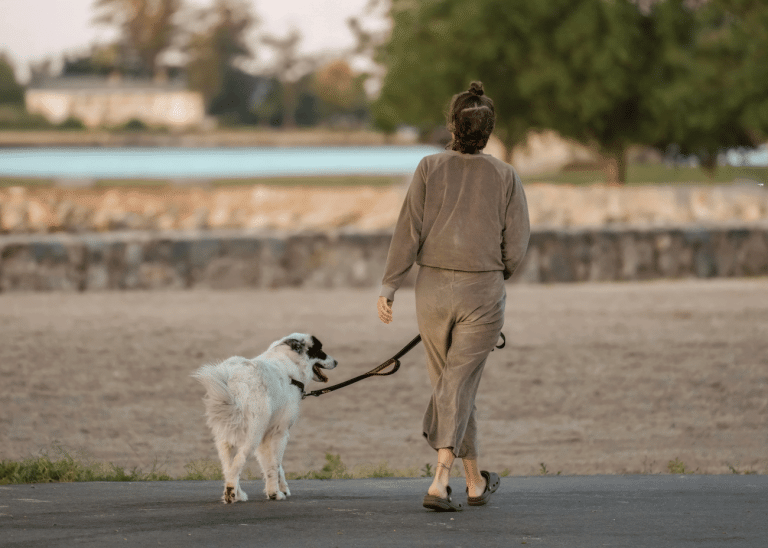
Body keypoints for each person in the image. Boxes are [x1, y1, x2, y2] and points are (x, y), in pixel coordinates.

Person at [377, 81, 530, 512]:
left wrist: (390, 284)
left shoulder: (428, 167)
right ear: (489, 129)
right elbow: (516, 247)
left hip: (432, 292)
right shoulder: (505, 175)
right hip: (483, 291)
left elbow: (407, 231)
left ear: (452, 124)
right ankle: (440, 480)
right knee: (458, 385)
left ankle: (475, 481)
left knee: (453, 386)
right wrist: (496, 274)